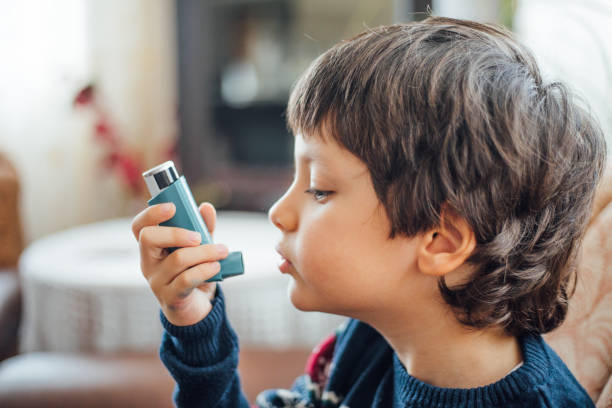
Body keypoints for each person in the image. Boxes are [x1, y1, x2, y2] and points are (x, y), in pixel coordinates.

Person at [131, 16, 607, 408]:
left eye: (319, 190)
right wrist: (195, 322)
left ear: (440, 241)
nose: (278, 212)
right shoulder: (367, 344)